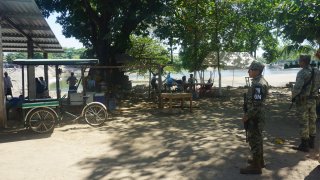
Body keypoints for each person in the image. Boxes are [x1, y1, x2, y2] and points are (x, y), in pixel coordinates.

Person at [240, 61, 269, 174]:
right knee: (258, 139)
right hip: (257, 115)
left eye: (250, 69)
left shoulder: (258, 84)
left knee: (254, 140)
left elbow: (257, 104)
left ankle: (256, 167)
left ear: (257, 71)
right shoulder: (260, 81)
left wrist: (247, 116)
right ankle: (259, 161)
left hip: (255, 116)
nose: (248, 71)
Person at [292, 55, 320, 152]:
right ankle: (312, 142)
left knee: (304, 122)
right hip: (313, 100)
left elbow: (297, 88)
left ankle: (304, 145)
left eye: (299, 60)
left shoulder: (302, 72)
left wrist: (293, 98)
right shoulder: (316, 71)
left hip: (303, 101)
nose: (298, 62)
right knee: (312, 120)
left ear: (303, 61)